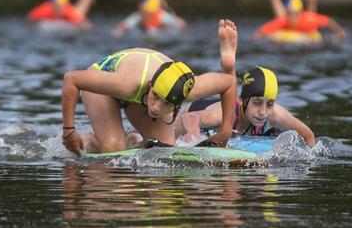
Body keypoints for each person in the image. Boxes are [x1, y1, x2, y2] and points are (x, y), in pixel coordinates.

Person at [60, 19, 240, 155]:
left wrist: (225, 131)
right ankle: (92, 141)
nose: (155, 108)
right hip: (106, 78)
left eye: (167, 104)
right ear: (150, 86)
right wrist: (69, 131)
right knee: (113, 148)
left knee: (164, 149)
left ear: (178, 103)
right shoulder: (128, 84)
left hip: (142, 88)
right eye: (155, 97)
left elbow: (229, 83)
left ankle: (131, 142)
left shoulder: (191, 88)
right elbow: (71, 79)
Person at [176, 22, 317, 146]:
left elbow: (309, 136)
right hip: (188, 117)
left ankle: (228, 64)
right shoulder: (224, 112)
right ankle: (228, 64)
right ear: (242, 100)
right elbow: (190, 118)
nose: (263, 112)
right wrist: (194, 138)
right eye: (257, 102)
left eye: (270, 104)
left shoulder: (276, 114)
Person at [253, 0, 346, 41]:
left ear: (299, 13)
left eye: (295, 14)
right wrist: (258, 36)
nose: (292, 17)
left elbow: (329, 21)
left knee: (311, 13)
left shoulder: (307, 19)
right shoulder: (284, 20)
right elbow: (264, 30)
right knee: (280, 16)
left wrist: (339, 32)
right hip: (290, 32)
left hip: (309, 32)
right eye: (290, 14)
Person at [112, 0, 188, 37]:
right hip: (147, 21)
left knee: (181, 23)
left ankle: (181, 35)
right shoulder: (144, 0)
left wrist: (174, 16)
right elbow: (139, 11)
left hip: (156, 16)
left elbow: (165, 6)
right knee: (125, 26)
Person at [26, 0, 94, 30]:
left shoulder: (68, 10)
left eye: (60, 5)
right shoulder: (46, 9)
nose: (58, 7)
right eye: (56, 4)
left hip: (72, 16)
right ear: (52, 3)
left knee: (81, 8)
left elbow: (86, 25)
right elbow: (29, 18)